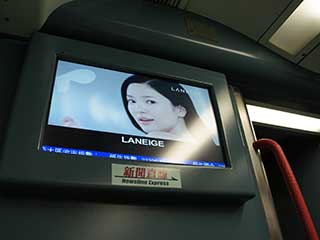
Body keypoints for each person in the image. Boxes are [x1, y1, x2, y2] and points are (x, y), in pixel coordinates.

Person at [121, 74, 215, 143]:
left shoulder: (155, 139)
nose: (139, 110)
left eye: (150, 101)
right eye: (132, 101)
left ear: (180, 110)